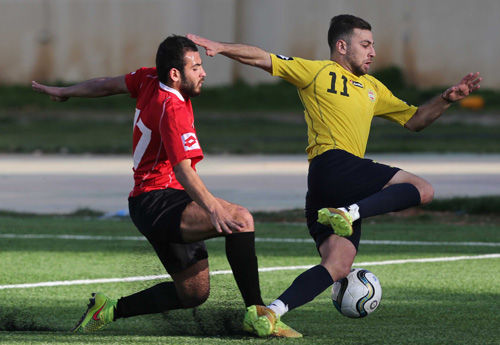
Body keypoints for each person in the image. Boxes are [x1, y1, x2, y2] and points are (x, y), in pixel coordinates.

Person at [187, 13, 482, 337]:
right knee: (423, 189)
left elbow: (415, 120)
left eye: (373, 46)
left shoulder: (373, 88)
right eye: (365, 44)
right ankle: (351, 212)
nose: (372, 52)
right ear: (341, 46)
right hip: (334, 164)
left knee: (339, 264)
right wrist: (221, 47)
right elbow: (263, 59)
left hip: (326, 188)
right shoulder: (317, 72)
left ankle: (270, 313)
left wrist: (446, 99)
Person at [31, 35, 301, 338]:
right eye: (196, 67)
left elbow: (106, 84)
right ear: (175, 74)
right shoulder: (172, 109)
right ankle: (258, 314)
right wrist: (214, 209)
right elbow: (183, 170)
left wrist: (65, 92)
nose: (203, 73)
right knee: (240, 219)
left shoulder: (149, 78)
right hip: (157, 202)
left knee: (194, 293)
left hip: (155, 202)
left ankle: (107, 310)